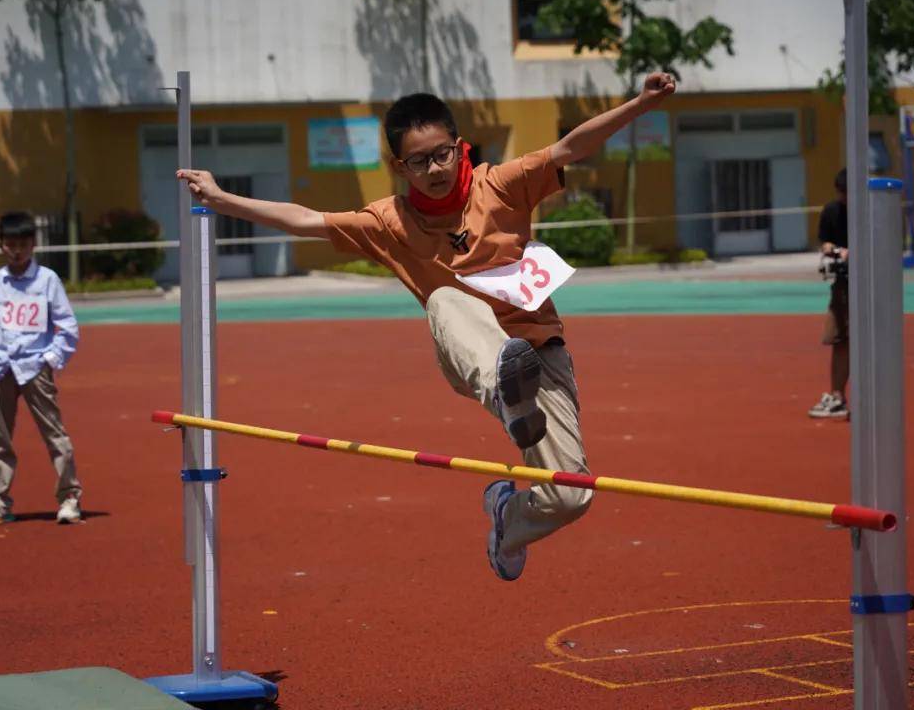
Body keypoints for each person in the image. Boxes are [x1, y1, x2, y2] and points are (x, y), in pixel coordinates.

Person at [177, 71, 676, 580]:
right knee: (446, 297)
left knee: (571, 494)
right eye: (418, 160)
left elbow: (571, 147)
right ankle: (505, 392)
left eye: (442, 154)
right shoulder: (390, 222)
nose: (434, 168)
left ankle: (508, 517)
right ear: (399, 167)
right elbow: (306, 219)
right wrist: (222, 199)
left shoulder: (500, 186)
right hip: (472, 354)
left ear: (461, 148)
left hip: (540, 352)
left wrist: (639, 104)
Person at [0, 212, 83, 525]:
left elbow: (67, 326)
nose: (16, 250)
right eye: (10, 244)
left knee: (54, 435)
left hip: (35, 367)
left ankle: (69, 497)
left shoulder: (47, 280)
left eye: (23, 244)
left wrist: (50, 359)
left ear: (33, 245)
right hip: (1, 369)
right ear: (2, 246)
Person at [809, 168, 850, 419]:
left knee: (869, 343)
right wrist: (835, 251)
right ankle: (837, 396)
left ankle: (877, 397)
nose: (844, 197)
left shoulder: (871, 212)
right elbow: (824, 241)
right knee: (840, 339)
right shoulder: (832, 212)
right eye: (842, 193)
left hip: (870, 286)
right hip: (843, 286)